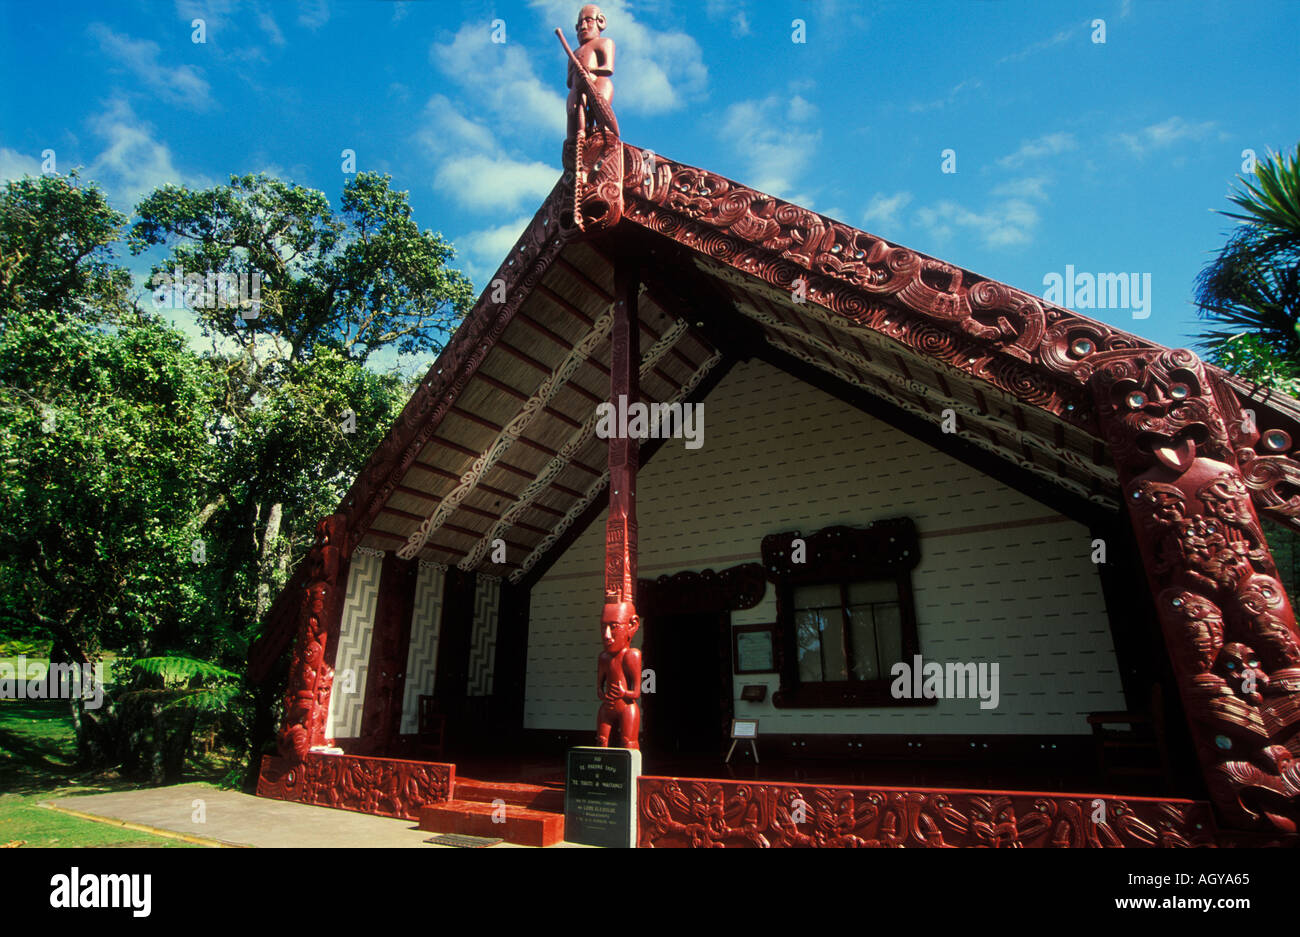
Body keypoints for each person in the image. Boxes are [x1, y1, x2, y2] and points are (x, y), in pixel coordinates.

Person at [595, 600, 641, 749]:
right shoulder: (603, 657)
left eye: (614, 627)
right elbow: (599, 688)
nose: (607, 635)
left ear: (632, 625)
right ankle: (601, 770)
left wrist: (623, 693)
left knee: (628, 742)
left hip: (626, 707)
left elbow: (636, 692)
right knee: (601, 741)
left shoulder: (631, 655)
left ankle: (632, 771)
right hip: (607, 707)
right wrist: (602, 694)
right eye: (603, 627)